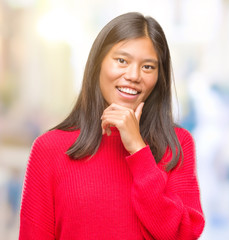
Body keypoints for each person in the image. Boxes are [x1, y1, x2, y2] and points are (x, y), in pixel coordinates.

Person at [19, 12, 205, 239]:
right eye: (122, 61)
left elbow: (181, 235)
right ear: (98, 63)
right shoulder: (50, 148)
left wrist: (138, 151)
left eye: (148, 67)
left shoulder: (177, 144)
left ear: (159, 77)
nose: (134, 75)